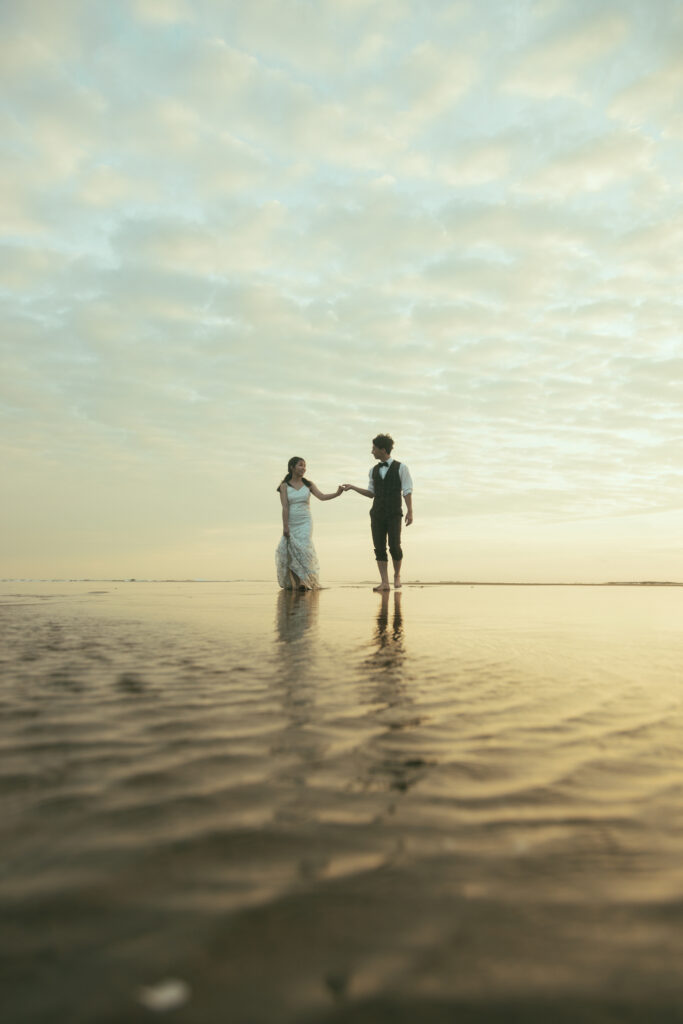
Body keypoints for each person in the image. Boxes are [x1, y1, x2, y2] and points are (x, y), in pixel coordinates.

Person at [343, 433, 413, 591]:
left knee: (394, 545)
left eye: (374, 448)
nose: (371, 451)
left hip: (394, 512)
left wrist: (410, 511)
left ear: (382, 449)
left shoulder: (401, 467)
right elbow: (371, 493)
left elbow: (407, 491)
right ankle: (384, 582)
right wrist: (353, 487)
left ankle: (396, 576)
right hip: (377, 513)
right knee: (379, 547)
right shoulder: (372, 470)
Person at [276, 457, 343, 590]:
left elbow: (322, 497)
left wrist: (337, 493)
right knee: (291, 551)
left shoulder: (308, 484)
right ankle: (297, 582)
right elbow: (285, 507)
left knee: (304, 548)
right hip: (291, 521)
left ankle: (303, 581)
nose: (303, 468)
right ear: (292, 467)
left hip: (305, 521)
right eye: (300, 465)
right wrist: (285, 526)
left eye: (305, 466)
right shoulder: (284, 486)